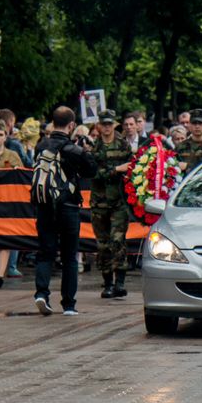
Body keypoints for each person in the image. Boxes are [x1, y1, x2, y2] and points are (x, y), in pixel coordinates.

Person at [30, 105, 94, 316]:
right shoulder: (73, 150)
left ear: (53, 122)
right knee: (69, 257)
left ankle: (41, 293)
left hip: (44, 206)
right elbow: (90, 170)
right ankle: (68, 304)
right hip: (68, 208)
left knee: (45, 252)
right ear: (72, 125)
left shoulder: (41, 146)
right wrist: (86, 150)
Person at [88, 110, 133, 299]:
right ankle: (107, 283)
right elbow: (93, 173)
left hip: (118, 202)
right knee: (103, 245)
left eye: (109, 124)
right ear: (98, 126)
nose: (106, 128)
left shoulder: (123, 144)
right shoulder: (94, 147)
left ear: (114, 124)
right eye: (103, 124)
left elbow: (131, 168)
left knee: (118, 242)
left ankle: (120, 283)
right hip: (99, 203)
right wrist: (115, 170)